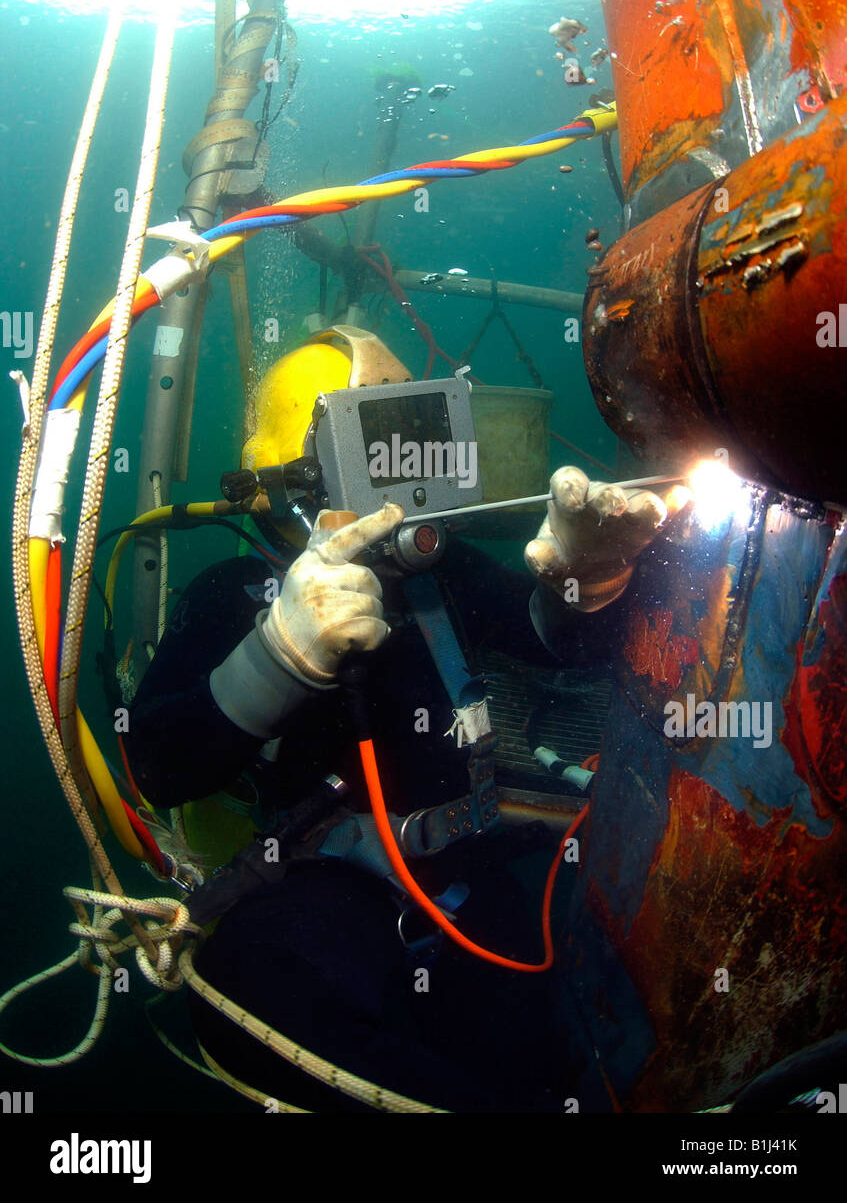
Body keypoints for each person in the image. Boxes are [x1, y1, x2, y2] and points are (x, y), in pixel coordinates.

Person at [126, 325, 681, 1113]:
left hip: (467, 872)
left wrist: (587, 579)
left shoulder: (435, 568)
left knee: (551, 1069)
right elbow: (159, 762)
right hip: (320, 879)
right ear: (294, 475)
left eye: (414, 442)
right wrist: (275, 655)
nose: (400, 486)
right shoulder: (235, 588)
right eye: (375, 449)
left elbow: (552, 641)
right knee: (247, 1003)